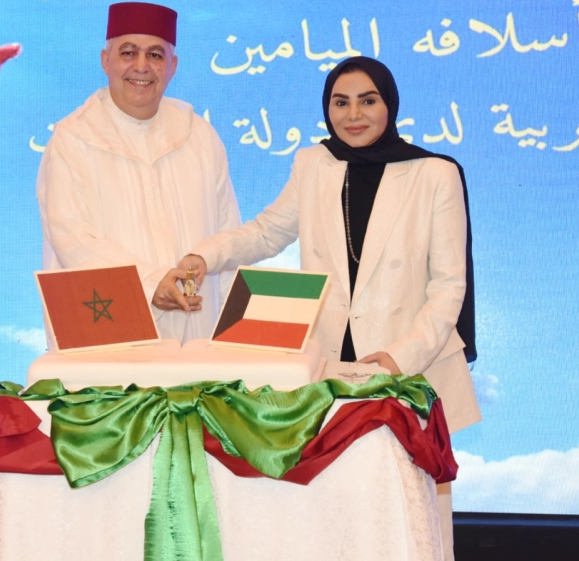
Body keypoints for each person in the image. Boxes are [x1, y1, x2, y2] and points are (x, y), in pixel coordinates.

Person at [183, 57, 479, 561]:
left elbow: (449, 286)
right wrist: (203, 257)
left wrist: (400, 358)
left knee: (410, 523)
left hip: (406, 371)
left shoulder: (435, 173)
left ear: (390, 105)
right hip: (328, 373)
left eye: (368, 101)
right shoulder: (313, 164)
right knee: (335, 521)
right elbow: (267, 232)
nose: (353, 115)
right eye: (341, 103)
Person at [36, 1, 241, 343]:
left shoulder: (200, 136)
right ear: (106, 60)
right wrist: (149, 283)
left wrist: (235, 337)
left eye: (155, 55)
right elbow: (72, 239)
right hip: (109, 333)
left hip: (197, 340)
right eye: (128, 53)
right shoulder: (72, 139)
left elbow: (227, 237)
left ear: (173, 66)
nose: (142, 66)